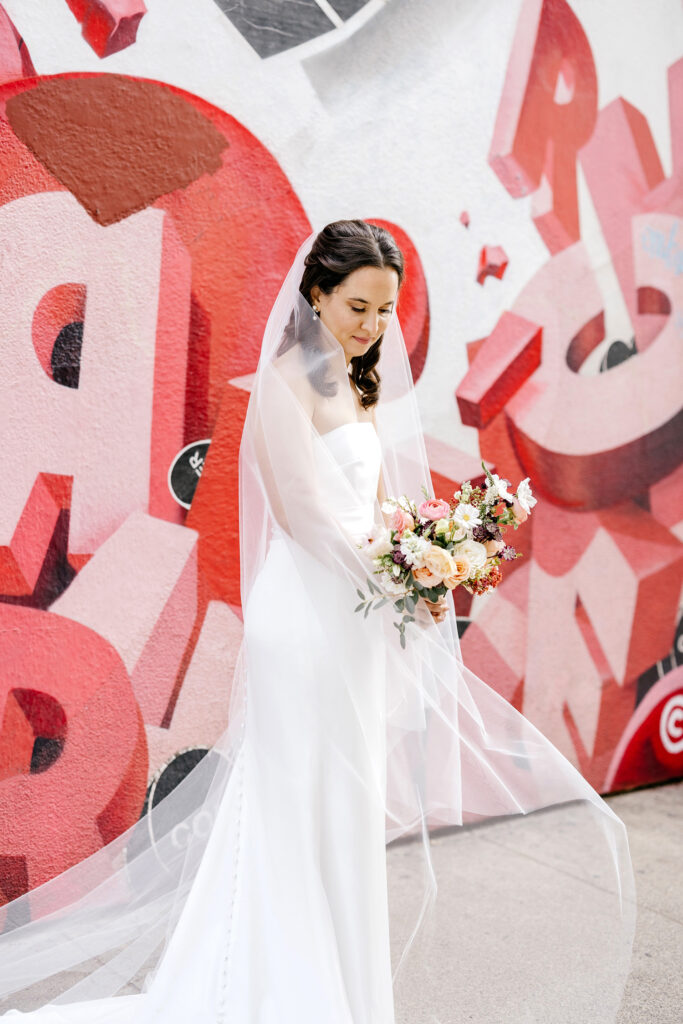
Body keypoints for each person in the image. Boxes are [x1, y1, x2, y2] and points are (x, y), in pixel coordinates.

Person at [0, 220, 636, 1023]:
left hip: (355, 611)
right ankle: (277, 993)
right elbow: (304, 516)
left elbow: (370, 507)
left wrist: (423, 560)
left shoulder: (358, 383)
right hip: (303, 616)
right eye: (358, 306)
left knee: (343, 800)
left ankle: (338, 991)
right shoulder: (285, 385)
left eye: (383, 310)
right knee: (294, 794)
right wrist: (401, 571)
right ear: (316, 295)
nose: (373, 326)